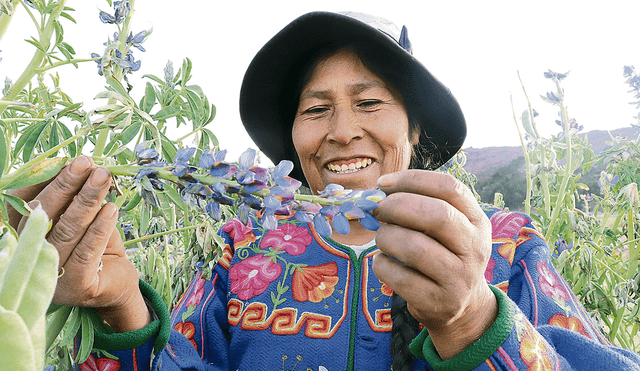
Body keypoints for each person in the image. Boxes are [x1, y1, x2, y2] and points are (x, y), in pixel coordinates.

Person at [9, 11, 640, 371]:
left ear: (413, 131)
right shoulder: (244, 246)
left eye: (369, 102)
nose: (341, 131)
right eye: (315, 110)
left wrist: (474, 318)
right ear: (292, 138)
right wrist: (121, 307)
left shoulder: (506, 246)